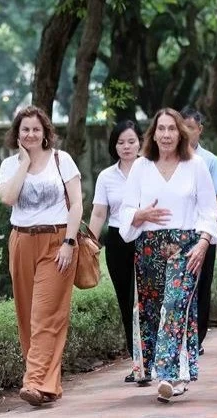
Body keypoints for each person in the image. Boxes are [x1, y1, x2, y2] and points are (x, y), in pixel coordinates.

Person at [119, 108, 217, 403]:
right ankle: (178, 375)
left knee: (175, 306)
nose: (166, 135)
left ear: (181, 133)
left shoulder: (196, 165)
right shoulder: (140, 167)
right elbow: (125, 210)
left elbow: (207, 211)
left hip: (186, 245)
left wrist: (203, 242)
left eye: (171, 129)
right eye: (161, 129)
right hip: (148, 247)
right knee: (153, 312)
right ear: (153, 133)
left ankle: (165, 373)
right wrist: (140, 214)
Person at [0, 105, 83, 406]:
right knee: (26, 316)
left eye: (36, 129)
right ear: (17, 134)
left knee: (45, 316)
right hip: (21, 241)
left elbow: (76, 205)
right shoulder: (9, 165)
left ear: (46, 132)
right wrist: (23, 162)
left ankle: (33, 381)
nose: (31, 134)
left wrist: (69, 242)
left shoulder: (63, 160)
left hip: (56, 241)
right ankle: (48, 385)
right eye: (25, 130)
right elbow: (8, 199)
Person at [88, 120, 143, 382]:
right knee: (126, 301)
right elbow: (99, 212)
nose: (126, 147)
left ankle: (155, 357)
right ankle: (137, 362)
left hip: (147, 240)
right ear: (114, 146)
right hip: (118, 240)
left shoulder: (150, 169)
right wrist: (90, 241)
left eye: (131, 141)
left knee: (148, 299)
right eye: (121, 142)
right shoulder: (106, 176)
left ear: (140, 142)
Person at [180, 106, 217, 355]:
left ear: (200, 129)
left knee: (202, 288)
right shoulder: (170, 159)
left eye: (191, 127)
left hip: (204, 236)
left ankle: (195, 340)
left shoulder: (210, 161)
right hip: (178, 236)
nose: (186, 132)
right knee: (179, 288)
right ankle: (179, 337)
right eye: (183, 126)